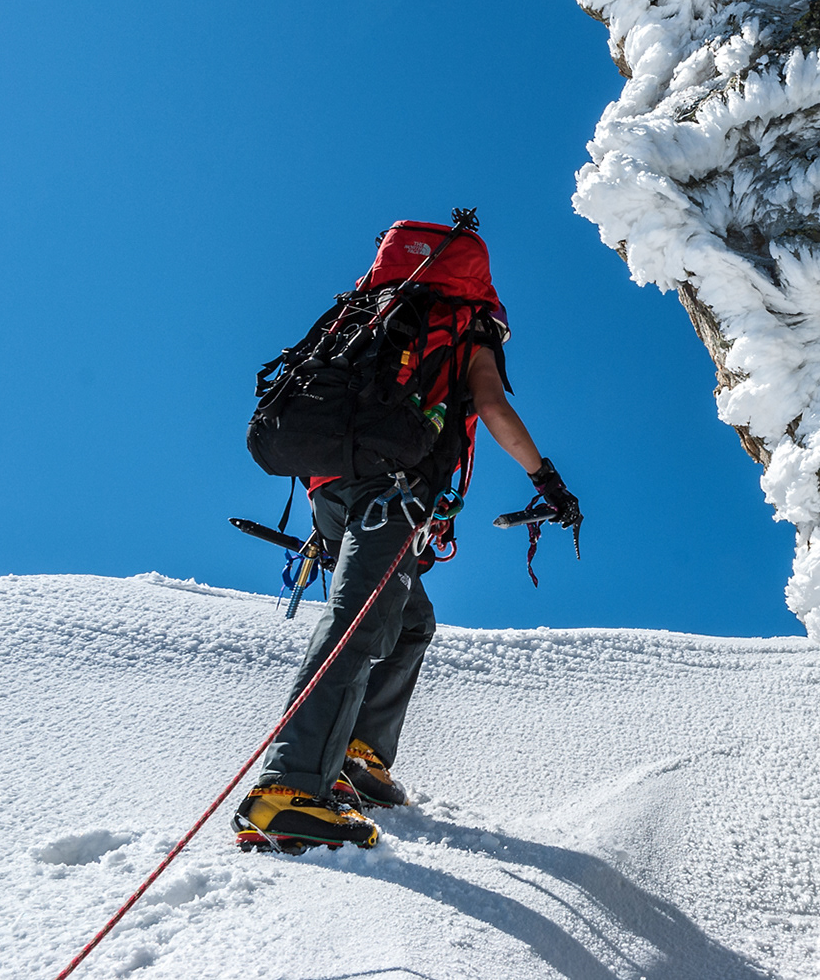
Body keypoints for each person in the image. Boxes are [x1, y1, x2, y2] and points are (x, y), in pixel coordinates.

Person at [234, 219, 579, 851]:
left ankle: (358, 755)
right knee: (358, 620)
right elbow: (492, 406)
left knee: (411, 620)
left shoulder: (371, 313)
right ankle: (288, 789)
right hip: (391, 491)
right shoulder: (464, 323)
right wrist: (547, 481)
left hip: (329, 490)